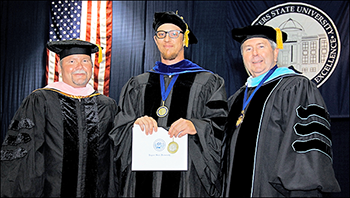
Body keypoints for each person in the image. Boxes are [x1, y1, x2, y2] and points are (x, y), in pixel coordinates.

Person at [109, 11, 228, 197]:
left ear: (184, 39)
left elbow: (221, 125)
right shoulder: (138, 84)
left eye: (174, 34)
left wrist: (196, 125)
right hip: (142, 177)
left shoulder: (208, 82)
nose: (167, 39)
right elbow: (118, 130)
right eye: (162, 34)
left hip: (187, 180)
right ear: (156, 40)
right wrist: (134, 125)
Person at [221, 25, 341, 197]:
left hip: (274, 191)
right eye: (248, 49)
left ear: (276, 52)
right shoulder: (236, 99)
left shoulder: (296, 87)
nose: (254, 53)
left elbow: (306, 145)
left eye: (261, 46)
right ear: (242, 57)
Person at [0, 39, 118, 197]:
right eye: (71, 61)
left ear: (92, 66)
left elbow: (116, 154)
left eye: (85, 61)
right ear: (60, 68)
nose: (79, 67)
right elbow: (25, 156)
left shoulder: (107, 105)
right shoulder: (41, 100)